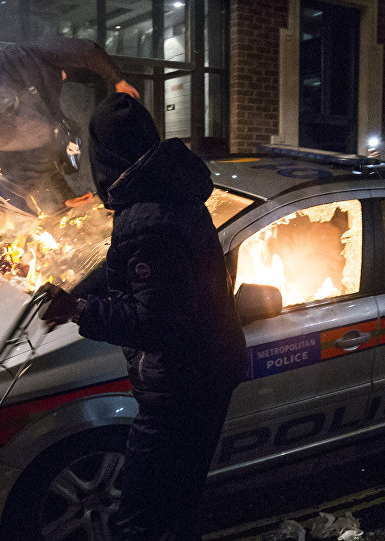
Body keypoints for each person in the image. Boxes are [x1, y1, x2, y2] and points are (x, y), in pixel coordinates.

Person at [40, 93, 248, 540]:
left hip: (181, 385)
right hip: (209, 369)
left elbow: (158, 323)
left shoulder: (146, 218)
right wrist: (79, 289)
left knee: (139, 517)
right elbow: (148, 280)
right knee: (178, 499)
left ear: (106, 156)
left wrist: (78, 309)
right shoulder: (167, 190)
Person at [0, 36, 138, 221]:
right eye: (65, 73)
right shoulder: (38, 51)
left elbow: (45, 155)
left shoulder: (34, 97)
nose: (63, 78)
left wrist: (65, 198)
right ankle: (9, 191)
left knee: (47, 138)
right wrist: (118, 81)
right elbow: (87, 50)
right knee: (57, 132)